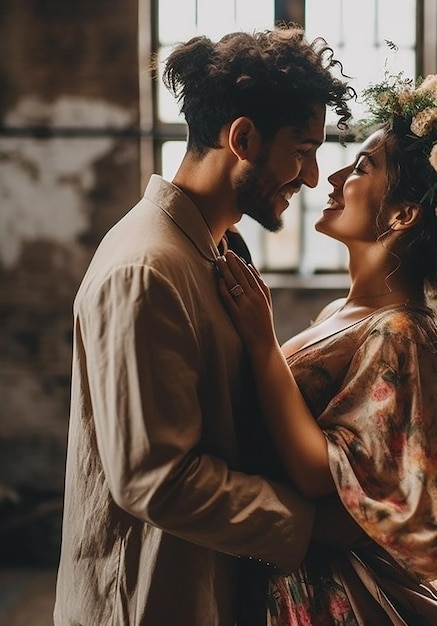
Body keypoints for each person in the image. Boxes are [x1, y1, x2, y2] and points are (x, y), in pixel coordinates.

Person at [217, 72, 437, 624]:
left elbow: (314, 474)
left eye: (361, 168)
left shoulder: (397, 332)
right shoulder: (343, 313)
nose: (329, 177)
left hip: (337, 589)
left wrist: (261, 343)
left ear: (402, 214)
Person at [54, 26, 356, 626]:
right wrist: (313, 524)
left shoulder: (216, 250)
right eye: (301, 149)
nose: (314, 177)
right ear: (242, 137)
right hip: (148, 601)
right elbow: (157, 480)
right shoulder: (148, 269)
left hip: (208, 584)